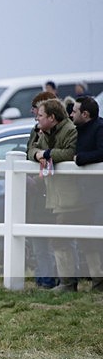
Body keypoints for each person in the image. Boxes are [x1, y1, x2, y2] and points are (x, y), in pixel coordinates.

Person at [27, 98, 85, 292]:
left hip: (72, 195)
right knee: (62, 239)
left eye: (41, 115)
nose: (37, 118)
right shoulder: (43, 131)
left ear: (52, 117)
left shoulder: (70, 131)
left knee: (65, 239)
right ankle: (68, 282)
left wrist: (47, 153)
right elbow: (31, 150)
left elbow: (71, 153)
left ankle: (69, 283)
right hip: (54, 194)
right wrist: (38, 154)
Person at [71, 96, 103, 291]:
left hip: (98, 194)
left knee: (98, 236)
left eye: (74, 111)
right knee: (88, 239)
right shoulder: (78, 130)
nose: (71, 114)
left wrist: (81, 158)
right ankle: (96, 280)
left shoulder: (100, 128)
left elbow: (102, 152)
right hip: (84, 194)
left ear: (85, 114)